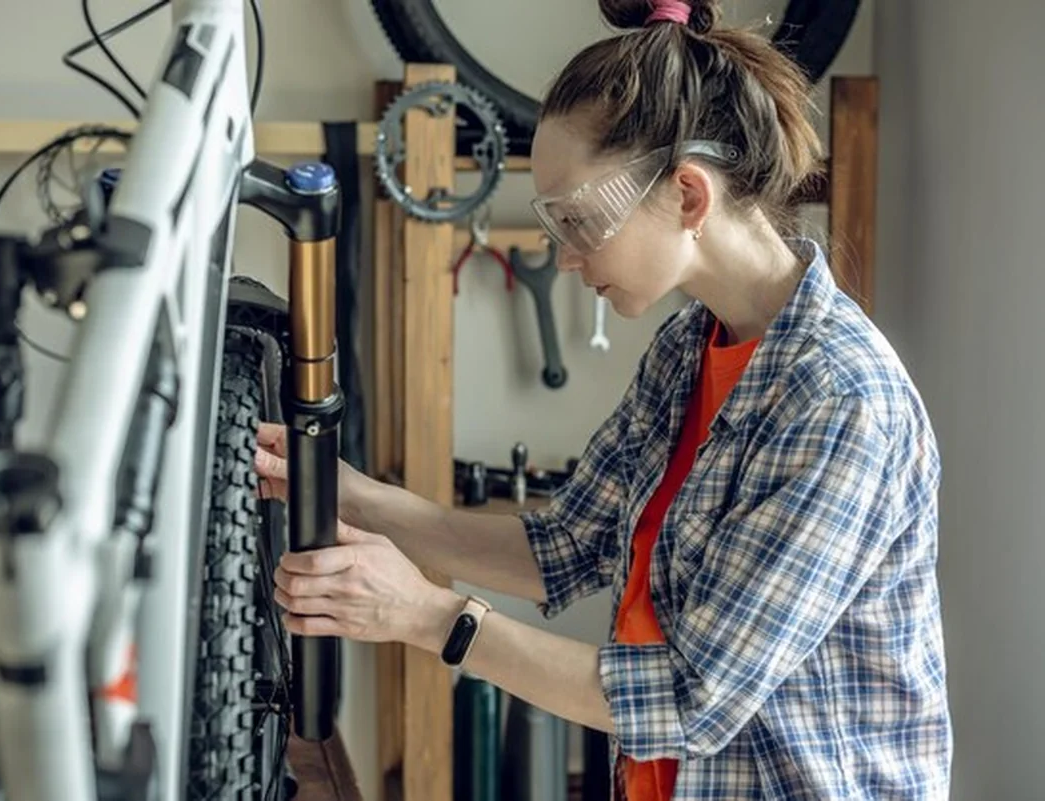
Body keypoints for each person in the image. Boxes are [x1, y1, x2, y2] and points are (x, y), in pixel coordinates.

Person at [254, 0, 952, 797]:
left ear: (690, 197)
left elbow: (690, 700)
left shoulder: (837, 401)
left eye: (579, 221)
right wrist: (354, 495)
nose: (567, 258)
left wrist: (424, 616)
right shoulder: (688, 350)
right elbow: (567, 545)